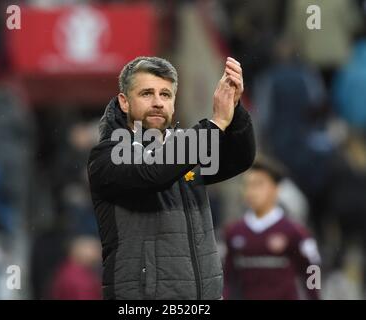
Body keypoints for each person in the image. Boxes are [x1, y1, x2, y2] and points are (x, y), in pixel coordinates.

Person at [87, 56, 255, 300]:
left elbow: (239, 158)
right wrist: (216, 123)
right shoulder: (108, 155)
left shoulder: (183, 150)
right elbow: (154, 172)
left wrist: (235, 107)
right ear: (124, 102)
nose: (157, 103)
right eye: (147, 94)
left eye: (165, 95)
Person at [223, 157, 321, 300]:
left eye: (258, 184)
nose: (251, 191)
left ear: (276, 189)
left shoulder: (295, 232)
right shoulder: (234, 232)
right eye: (247, 185)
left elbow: (313, 269)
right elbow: (227, 277)